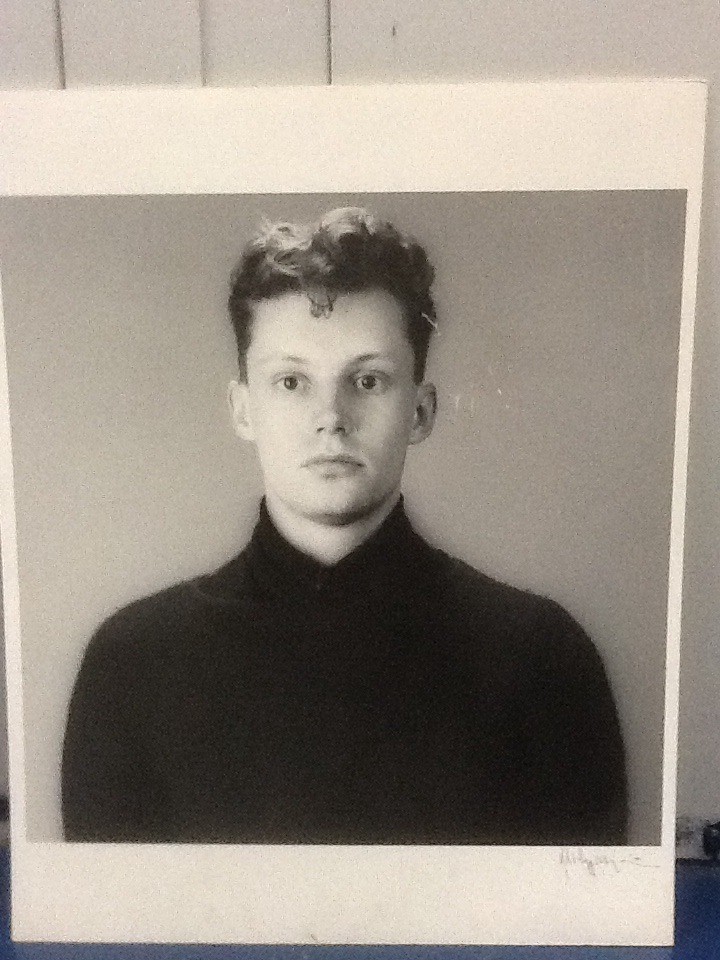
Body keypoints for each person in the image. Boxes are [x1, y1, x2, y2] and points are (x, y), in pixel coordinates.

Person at [62, 207, 627, 845]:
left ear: (421, 410)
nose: (331, 416)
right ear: (243, 410)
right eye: (291, 382)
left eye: (367, 379)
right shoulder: (132, 665)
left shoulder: (543, 661)